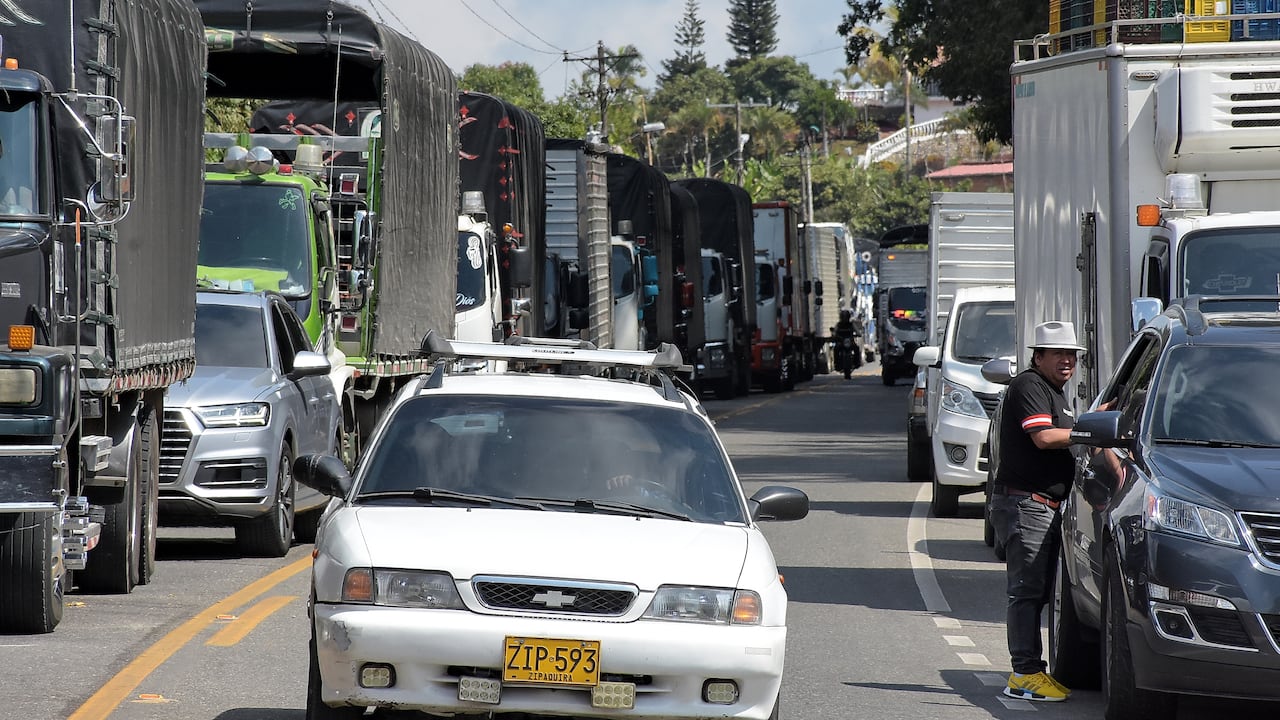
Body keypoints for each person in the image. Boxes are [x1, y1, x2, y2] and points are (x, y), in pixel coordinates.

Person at [989, 320, 1084, 703]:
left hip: (1040, 504)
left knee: (1039, 592)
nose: (1067, 361)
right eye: (1058, 353)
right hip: (1027, 503)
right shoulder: (1029, 385)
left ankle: (1033, 670)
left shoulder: (1055, 391)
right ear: (1038, 356)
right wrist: (1088, 433)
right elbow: (1044, 437)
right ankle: (1024, 674)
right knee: (1026, 593)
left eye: (1072, 354)